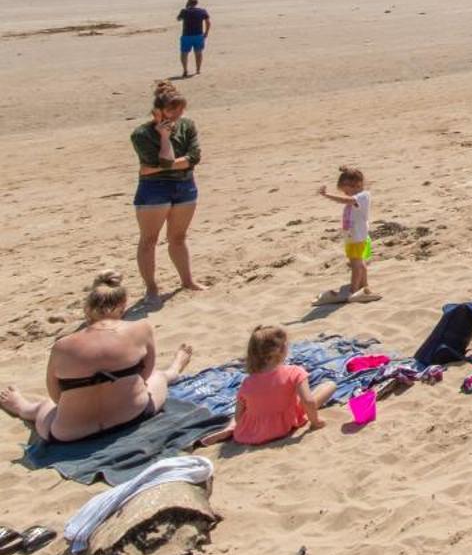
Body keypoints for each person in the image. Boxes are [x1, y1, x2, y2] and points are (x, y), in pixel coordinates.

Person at [0, 272, 193, 445]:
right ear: (123, 305)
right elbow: (145, 376)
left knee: (45, 406)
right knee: (158, 377)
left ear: (87, 309)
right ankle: (174, 370)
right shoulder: (141, 328)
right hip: (132, 416)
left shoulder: (62, 346)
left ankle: (22, 407)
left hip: (69, 434)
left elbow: (56, 396)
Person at [196, 326, 333, 448]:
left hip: (250, 431)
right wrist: (315, 422)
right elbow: (308, 401)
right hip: (284, 424)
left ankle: (231, 428)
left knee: (245, 409)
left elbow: (239, 416)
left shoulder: (247, 382)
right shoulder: (294, 372)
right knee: (328, 385)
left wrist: (238, 423)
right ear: (281, 349)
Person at [132, 80, 203, 302]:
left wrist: (160, 166)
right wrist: (164, 138)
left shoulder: (187, 126)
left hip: (184, 186)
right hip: (154, 189)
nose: (177, 115)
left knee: (178, 237)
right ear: (158, 111)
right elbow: (161, 160)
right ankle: (151, 288)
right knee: (149, 240)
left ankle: (187, 280)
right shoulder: (141, 134)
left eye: (180, 109)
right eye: (172, 110)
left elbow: (194, 157)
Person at [315, 166, 379, 304]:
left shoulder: (363, 196)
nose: (345, 194)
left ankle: (354, 290)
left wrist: (327, 195)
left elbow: (347, 201)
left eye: (346, 190)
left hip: (357, 237)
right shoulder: (357, 196)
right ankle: (364, 286)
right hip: (353, 237)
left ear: (357, 185)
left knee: (356, 264)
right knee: (358, 262)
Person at [175, 0, 210, 77]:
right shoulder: (202, 11)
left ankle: (185, 70)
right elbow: (208, 22)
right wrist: (206, 32)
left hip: (186, 35)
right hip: (198, 35)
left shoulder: (184, 11)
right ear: (196, 3)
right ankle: (198, 70)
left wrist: (186, 7)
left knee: (184, 53)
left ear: (188, 3)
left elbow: (178, 19)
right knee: (198, 53)